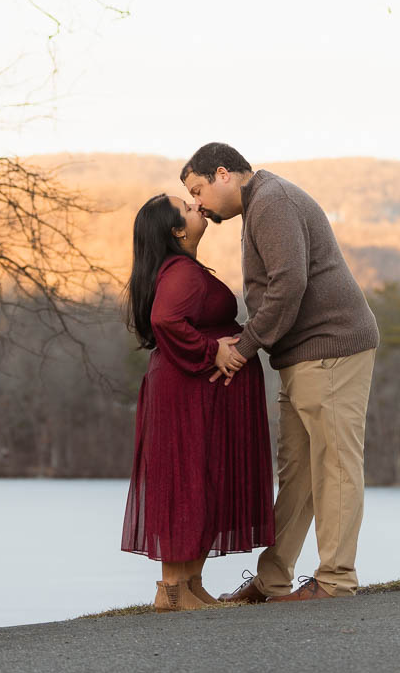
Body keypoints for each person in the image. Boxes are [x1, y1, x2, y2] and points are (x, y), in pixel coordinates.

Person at [182, 143, 380, 603]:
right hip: (301, 355)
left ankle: (335, 580)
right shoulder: (261, 204)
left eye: (198, 190)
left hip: (330, 348)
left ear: (223, 173)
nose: (197, 204)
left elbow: (289, 283)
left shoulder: (272, 202)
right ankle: (272, 580)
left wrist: (246, 347)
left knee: (334, 465)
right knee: (299, 473)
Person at [120, 193, 274, 611]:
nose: (196, 206)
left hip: (196, 393)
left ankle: (190, 586)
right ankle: (170, 590)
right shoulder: (181, 273)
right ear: (177, 231)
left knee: (203, 480)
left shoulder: (181, 269)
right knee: (187, 479)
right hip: (187, 394)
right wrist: (213, 353)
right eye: (187, 208)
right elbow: (165, 320)